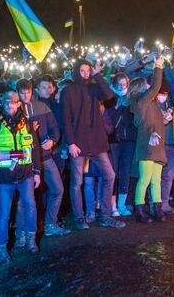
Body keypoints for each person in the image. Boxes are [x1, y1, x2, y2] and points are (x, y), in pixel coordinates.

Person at [61, 59, 125, 230]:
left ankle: (105, 215)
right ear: (76, 72)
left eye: (88, 71)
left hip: (96, 141)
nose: (86, 74)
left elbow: (109, 95)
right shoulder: (68, 91)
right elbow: (65, 119)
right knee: (77, 181)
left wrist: (97, 74)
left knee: (110, 175)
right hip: (78, 144)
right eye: (82, 71)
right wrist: (70, 143)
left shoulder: (94, 87)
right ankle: (79, 217)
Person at [0, 92, 42, 263]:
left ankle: (30, 239)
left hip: (25, 174)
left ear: (19, 104)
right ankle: (1, 246)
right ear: (3, 103)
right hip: (4, 177)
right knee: (4, 213)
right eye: (7, 102)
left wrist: (37, 171)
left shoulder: (28, 124)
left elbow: (34, 149)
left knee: (30, 206)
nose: (10, 105)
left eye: (14, 102)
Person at [16, 79, 69, 236]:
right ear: (18, 92)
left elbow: (55, 128)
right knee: (24, 197)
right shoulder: (15, 110)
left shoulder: (42, 107)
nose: (25, 96)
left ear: (33, 91)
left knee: (58, 189)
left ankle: (50, 224)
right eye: (22, 93)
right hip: (26, 160)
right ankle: (21, 232)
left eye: (28, 92)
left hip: (45, 157)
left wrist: (52, 140)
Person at [127, 55, 167, 223]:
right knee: (145, 179)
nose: (149, 86)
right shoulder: (140, 102)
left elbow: (156, 121)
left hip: (157, 144)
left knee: (156, 179)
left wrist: (165, 118)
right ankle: (140, 209)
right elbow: (156, 86)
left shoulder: (150, 103)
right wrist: (158, 67)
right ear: (139, 89)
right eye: (146, 85)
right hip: (147, 145)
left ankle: (157, 208)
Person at [105, 72, 136, 216]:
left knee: (125, 172)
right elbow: (107, 121)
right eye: (119, 84)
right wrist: (117, 108)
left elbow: (135, 119)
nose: (122, 87)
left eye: (124, 84)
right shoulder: (110, 99)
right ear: (114, 84)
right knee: (114, 173)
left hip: (129, 140)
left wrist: (130, 106)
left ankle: (122, 205)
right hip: (114, 141)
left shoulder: (131, 97)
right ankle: (112, 206)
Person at [157, 79, 174, 214]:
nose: (163, 95)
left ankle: (164, 202)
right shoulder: (151, 104)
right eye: (161, 93)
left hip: (172, 144)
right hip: (158, 145)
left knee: (169, 174)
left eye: (165, 93)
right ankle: (154, 203)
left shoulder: (173, 104)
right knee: (155, 176)